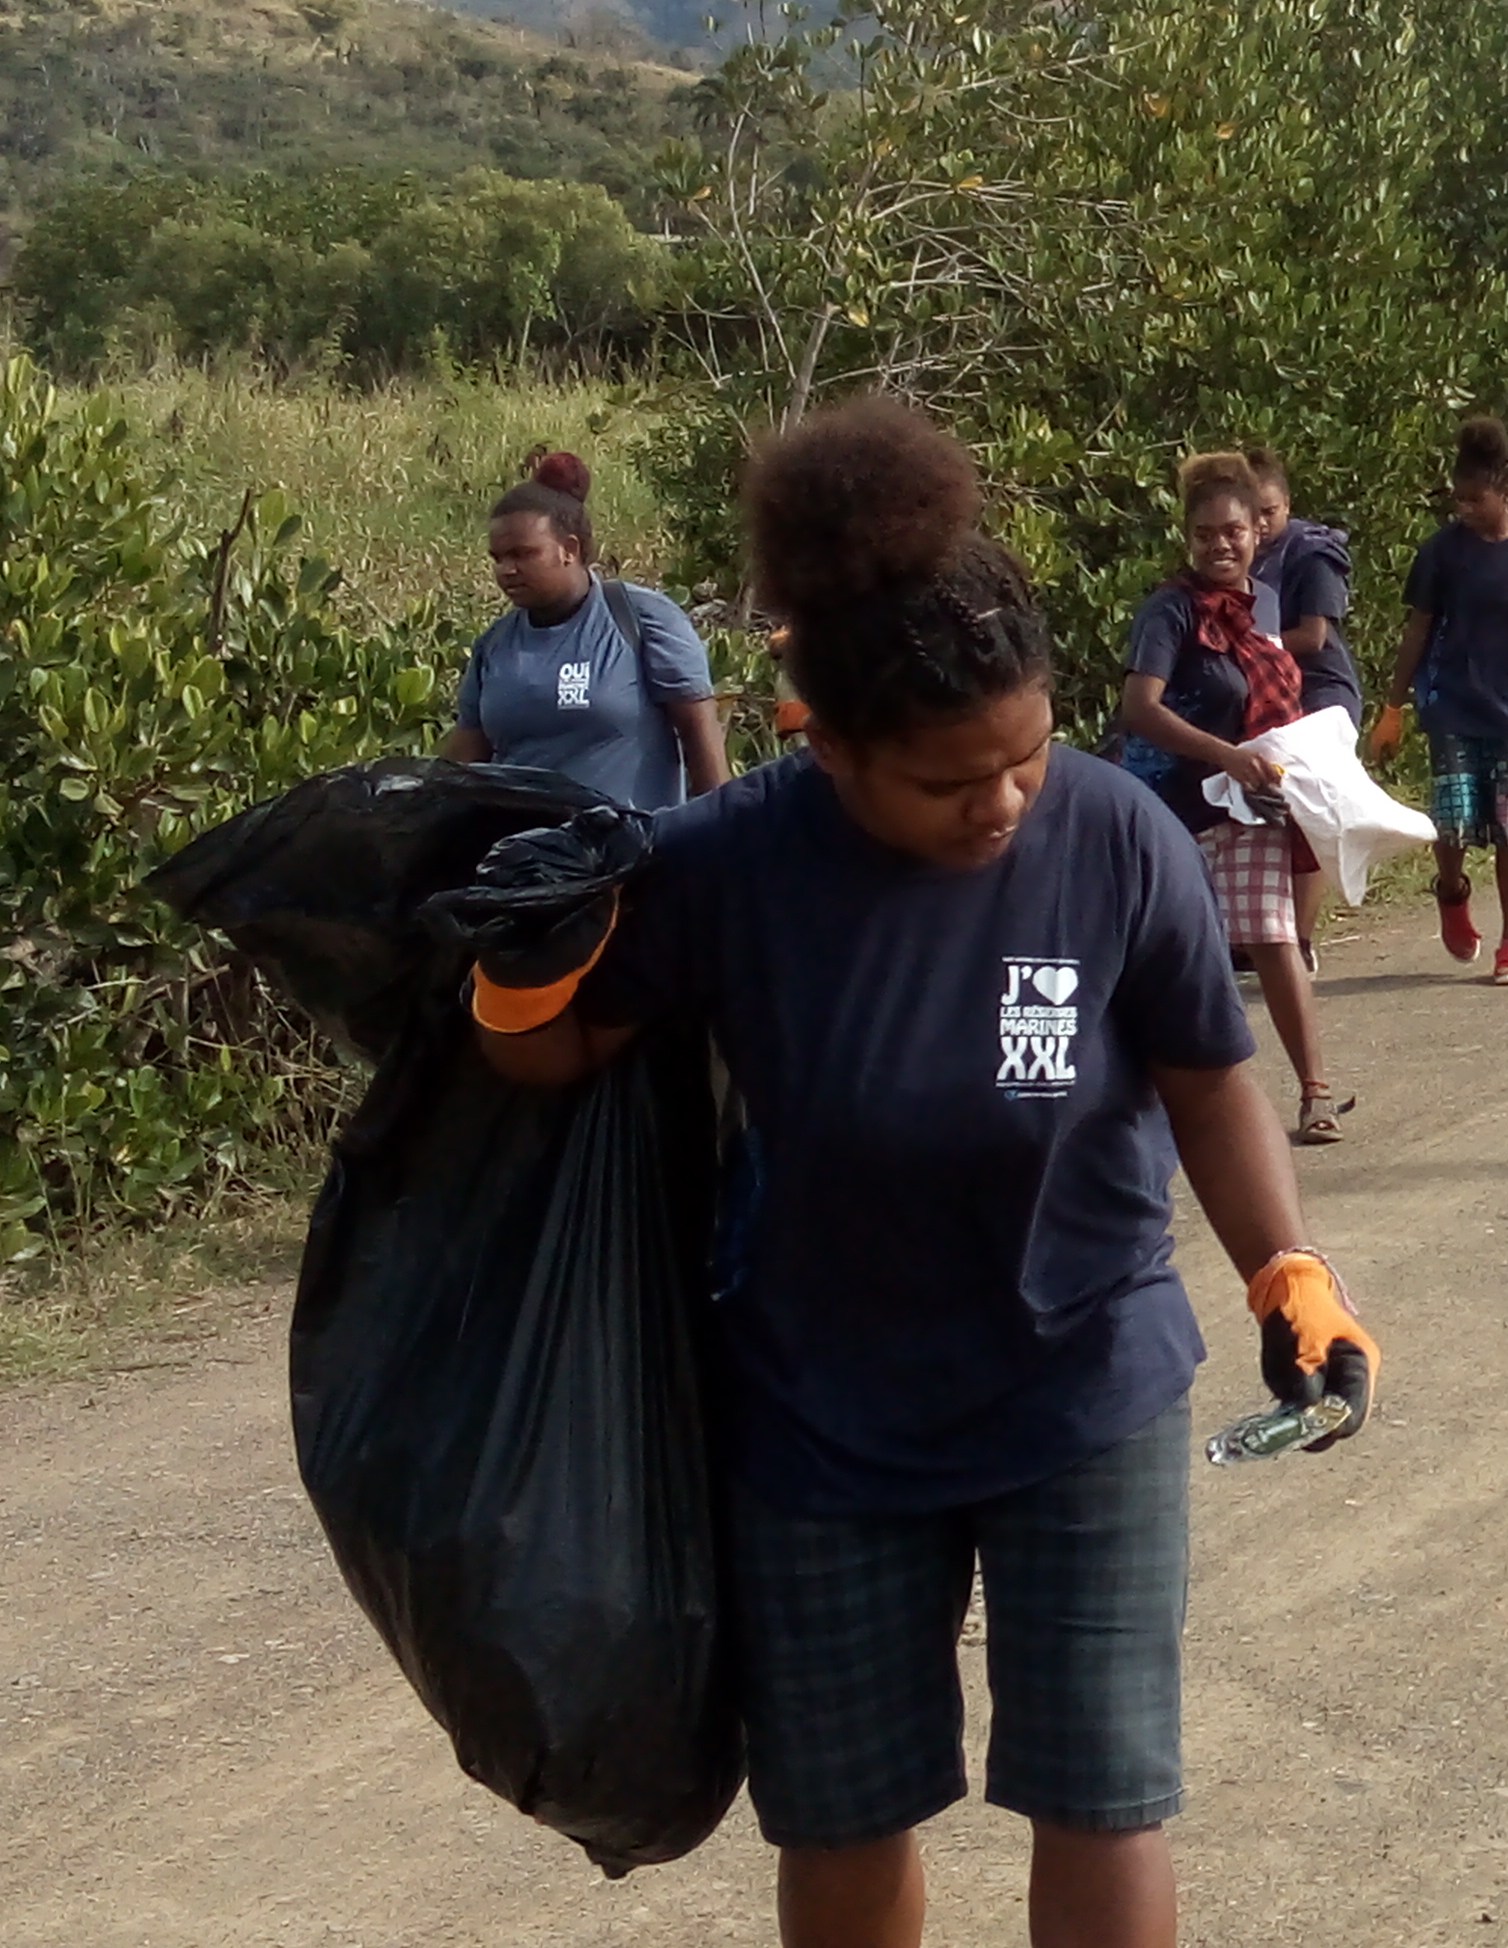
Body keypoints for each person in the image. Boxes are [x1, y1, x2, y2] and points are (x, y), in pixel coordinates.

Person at [464, 398, 1378, 1948]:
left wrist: (1287, 1272)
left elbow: (1206, 1077)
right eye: (951, 783)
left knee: (1104, 1790)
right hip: (821, 1418)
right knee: (842, 1809)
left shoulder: (1116, 838)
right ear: (827, 743)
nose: (1003, 802)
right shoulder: (731, 862)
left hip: (1081, 1385)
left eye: (1024, 755)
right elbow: (557, 1053)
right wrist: (518, 968)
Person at [1119, 453, 1346, 1144]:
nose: (1220, 545)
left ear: (1257, 533)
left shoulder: (1265, 602)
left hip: (1250, 805)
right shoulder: (1170, 611)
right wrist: (1226, 756)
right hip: (1172, 807)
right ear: (1187, 538)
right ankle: (1169, 1108)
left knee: (1274, 938)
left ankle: (1315, 1093)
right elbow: (1139, 708)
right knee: (1181, 960)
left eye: (1233, 532)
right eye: (1205, 534)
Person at [1368, 416, 1508, 986]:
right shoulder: (1441, 552)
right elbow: (1417, 629)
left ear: (1505, 489)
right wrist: (1393, 708)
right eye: (1457, 499)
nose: (1464, 508)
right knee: (1454, 819)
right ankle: (1451, 891)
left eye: (1475, 499)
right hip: (1451, 706)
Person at [443, 451, 727, 810]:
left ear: (569, 549)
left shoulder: (640, 619)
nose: (506, 570)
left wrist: (721, 829)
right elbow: (461, 765)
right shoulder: (495, 645)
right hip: (523, 843)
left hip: (628, 840)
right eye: (498, 558)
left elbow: (699, 735)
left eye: (522, 554)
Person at [1246, 444, 1360, 978]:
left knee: (1305, 814)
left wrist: (1242, 647)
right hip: (1261, 696)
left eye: (1269, 512)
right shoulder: (1237, 554)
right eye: (1251, 514)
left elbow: (1313, 637)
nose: (1260, 524)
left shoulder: (1312, 554)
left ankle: (1302, 940)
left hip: (1319, 697)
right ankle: (1260, 932)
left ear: (1287, 505)